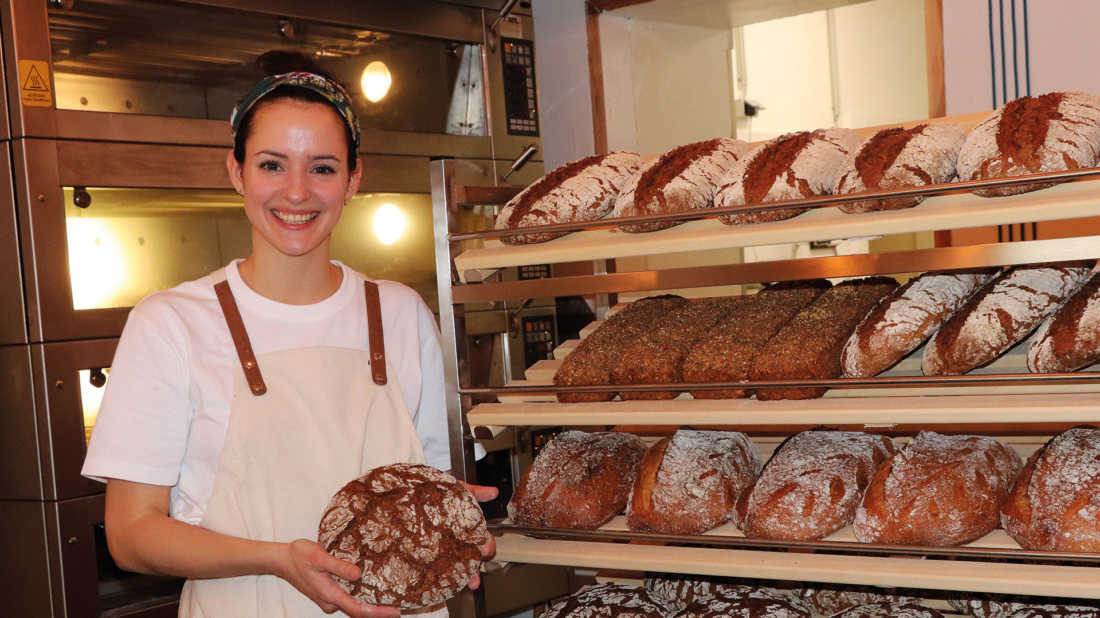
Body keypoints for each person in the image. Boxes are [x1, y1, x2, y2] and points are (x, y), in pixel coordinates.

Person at [81, 52, 496, 618]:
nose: (296, 192)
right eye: (272, 165)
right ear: (237, 172)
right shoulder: (171, 323)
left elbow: (434, 486)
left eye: (322, 167)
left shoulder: (400, 313)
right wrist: (277, 558)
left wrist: (454, 526)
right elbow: (130, 535)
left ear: (353, 180)